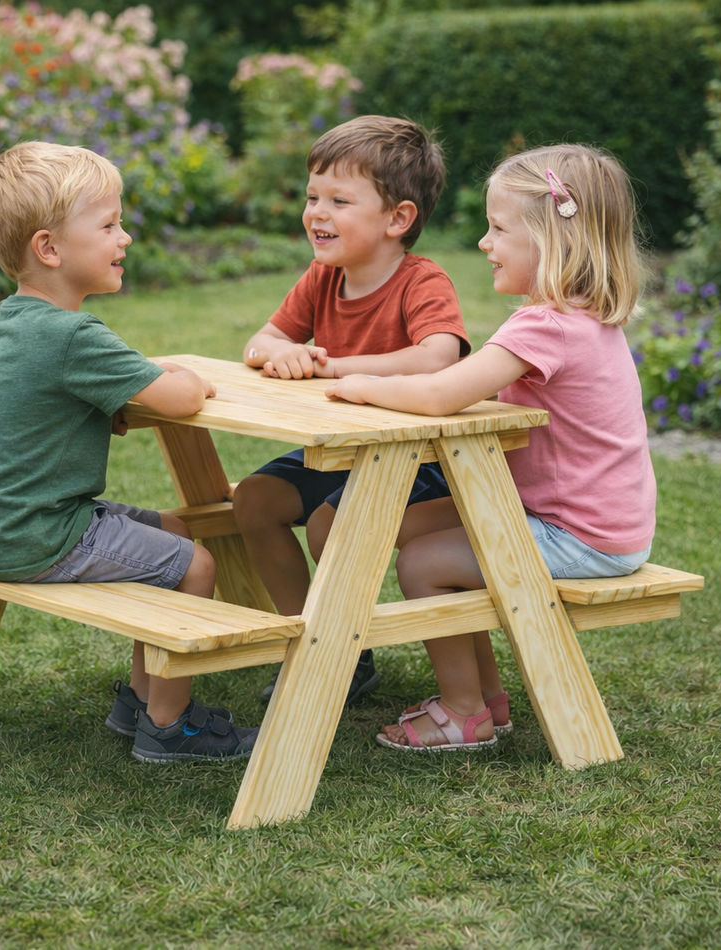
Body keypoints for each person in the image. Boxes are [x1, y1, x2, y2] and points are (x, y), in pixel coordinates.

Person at [326, 142, 656, 751]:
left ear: (554, 243)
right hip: (589, 523)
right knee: (397, 522)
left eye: (498, 228)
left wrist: (360, 383)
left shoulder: (545, 325)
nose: (484, 242)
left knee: (423, 563)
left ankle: (463, 712)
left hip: (579, 535)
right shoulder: (581, 320)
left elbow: (441, 395)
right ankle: (487, 697)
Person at [0, 141, 257, 762]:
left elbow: (67, 389)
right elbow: (179, 397)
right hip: (36, 535)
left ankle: (140, 702)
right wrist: (185, 378)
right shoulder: (72, 334)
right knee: (196, 564)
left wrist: (132, 384)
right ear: (50, 248)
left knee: (170, 528)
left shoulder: (8, 319)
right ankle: (171, 728)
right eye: (110, 225)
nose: (127, 238)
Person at [233, 115, 470, 704]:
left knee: (327, 523)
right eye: (313, 196)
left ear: (398, 219)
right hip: (340, 451)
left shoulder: (422, 282)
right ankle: (314, 641)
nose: (317, 212)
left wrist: (339, 368)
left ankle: (334, 650)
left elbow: (440, 356)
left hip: (413, 460)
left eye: (339, 200)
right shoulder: (322, 277)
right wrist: (285, 354)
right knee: (254, 500)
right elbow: (259, 343)